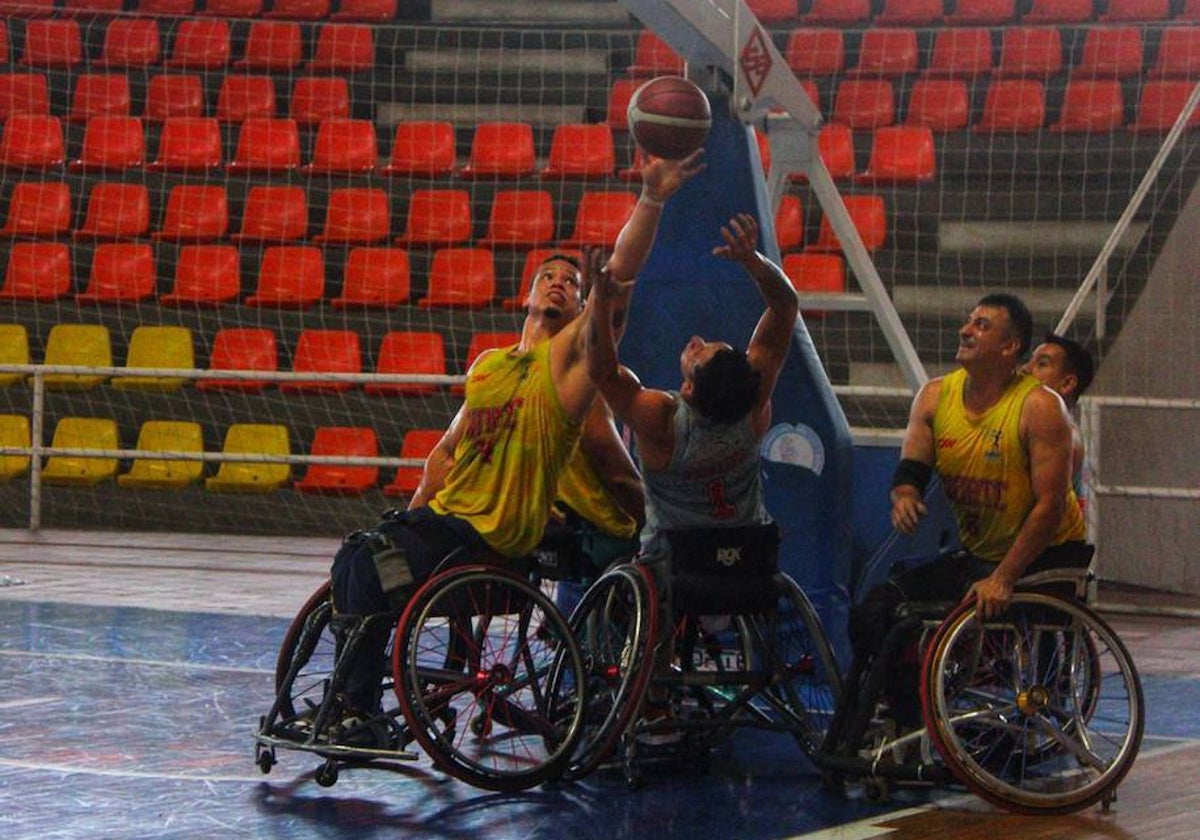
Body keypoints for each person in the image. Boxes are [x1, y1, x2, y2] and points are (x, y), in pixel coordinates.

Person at [325, 151, 705, 735]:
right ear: (525, 297)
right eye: (548, 277)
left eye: (571, 282)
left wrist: (651, 198)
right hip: (450, 523)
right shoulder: (487, 366)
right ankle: (351, 701)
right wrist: (413, 515)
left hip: (495, 535)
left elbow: (621, 277)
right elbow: (446, 453)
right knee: (358, 553)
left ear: (580, 307)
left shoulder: (571, 367)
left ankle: (359, 708)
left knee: (376, 569)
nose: (559, 283)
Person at [584, 211, 800, 737]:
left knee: (621, 571)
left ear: (687, 390)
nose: (699, 339)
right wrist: (753, 261)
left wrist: (600, 301)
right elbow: (785, 304)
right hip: (748, 564)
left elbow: (601, 372)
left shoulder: (661, 421)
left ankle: (651, 693)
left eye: (702, 352)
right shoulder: (755, 410)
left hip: (673, 570)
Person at [847, 293, 1090, 736]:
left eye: (981, 325)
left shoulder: (1039, 407)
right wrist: (903, 496)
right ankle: (907, 721)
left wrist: (1005, 577)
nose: (966, 330)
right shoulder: (936, 396)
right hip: (980, 553)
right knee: (877, 607)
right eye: (968, 321)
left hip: (1046, 557)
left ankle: (1047, 692)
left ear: (1009, 347)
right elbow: (911, 470)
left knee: (984, 598)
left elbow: (1051, 506)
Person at [1021, 333, 1094, 498]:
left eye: (1041, 364)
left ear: (1067, 384)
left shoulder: (1068, 437)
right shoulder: (1024, 421)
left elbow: (1044, 509)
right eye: (1030, 361)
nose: (1026, 369)